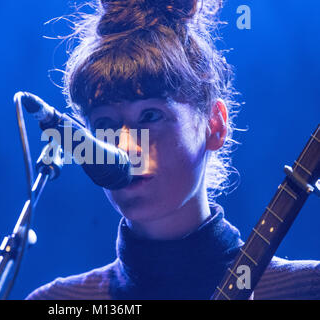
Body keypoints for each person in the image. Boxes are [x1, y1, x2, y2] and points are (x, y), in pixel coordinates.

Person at [25, 0, 320, 299]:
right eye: (105, 123)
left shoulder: (309, 289)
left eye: (150, 116)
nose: (125, 147)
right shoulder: (56, 302)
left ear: (214, 125)